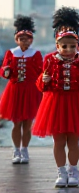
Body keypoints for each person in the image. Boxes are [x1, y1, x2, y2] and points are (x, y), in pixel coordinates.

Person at [32, 7, 79, 188]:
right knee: (58, 139)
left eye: (72, 46)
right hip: (55, 102)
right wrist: (43, 80)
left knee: (74, 139)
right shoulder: (50, 59)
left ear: (77, 44)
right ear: (57, 45)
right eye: (64, 46)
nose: (68, 49)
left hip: (76, 102)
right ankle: (60, 171)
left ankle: (73, 170)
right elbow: (41, 86)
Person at [0, 15, 42, 164]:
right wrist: (6, 70)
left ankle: (25, 149)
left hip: (31, 90)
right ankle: (16, 150)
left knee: (27, 123)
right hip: (15, 90)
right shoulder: (11, 53)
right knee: (16, 122)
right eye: (22, 38)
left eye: (28, 38)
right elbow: (4, 71)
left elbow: (40, 72)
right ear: (16, 39)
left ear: (31, 39)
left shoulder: (36, 54)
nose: (25, 41)